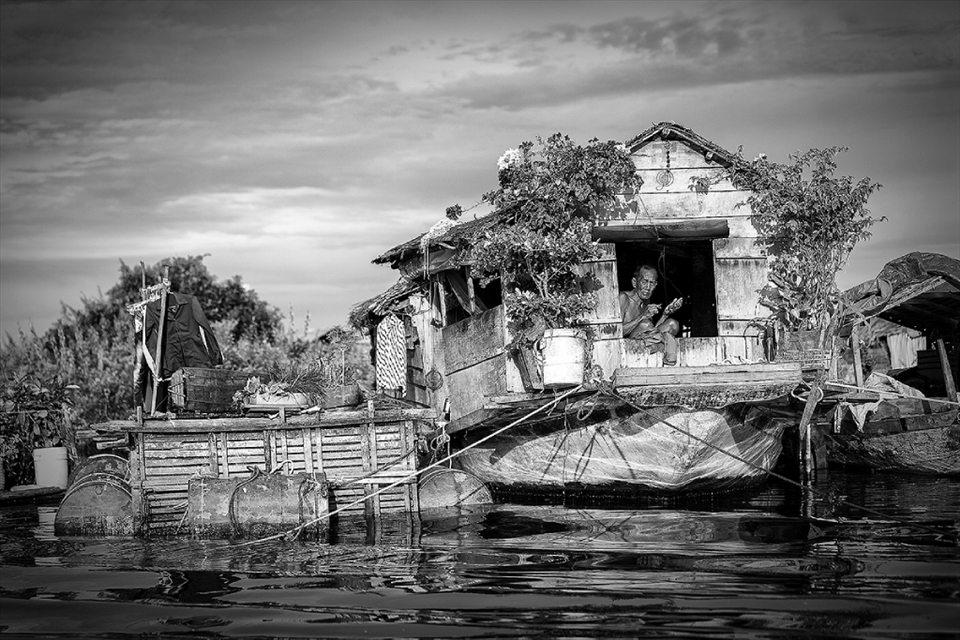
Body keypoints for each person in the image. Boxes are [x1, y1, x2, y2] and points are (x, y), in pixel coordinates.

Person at [619, 264, 681, 365]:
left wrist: (665, 315)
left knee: (673, 324)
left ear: (655, 285)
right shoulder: (623, 298)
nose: (647, 288)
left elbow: (652, 332)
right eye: (644, 282)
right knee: (645, 324)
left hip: (645, 342)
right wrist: (643, 316)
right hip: (627, 347)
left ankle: (662, 353)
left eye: (651, 283)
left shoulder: (646, 302)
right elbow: (617, 332)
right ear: (634, 282)